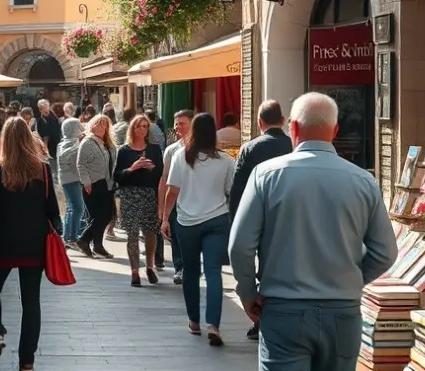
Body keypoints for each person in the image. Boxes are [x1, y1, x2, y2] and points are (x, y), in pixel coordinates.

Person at [229, 93, 397, 371]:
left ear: (292, 127)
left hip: (284, 309)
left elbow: (240, 245)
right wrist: (350, 280)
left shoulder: (265, 175)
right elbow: (385, 252)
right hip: (342, 311)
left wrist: (247, 292)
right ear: (335, 130)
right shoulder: (363, 181)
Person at [0, 117, 61, 370]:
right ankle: (27, 361)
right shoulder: (42, 169)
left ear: (4, 139)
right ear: (28, 138)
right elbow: (53, 210)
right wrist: (58, 237)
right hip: (34, 243)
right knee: (31, 301)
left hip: (2, 241)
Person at [162, 113, 235, 346]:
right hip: (217, 220)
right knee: (213, 272)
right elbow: (229, 191)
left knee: (191, 272)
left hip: (186, 222)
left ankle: (194, 321)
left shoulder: (181, 157)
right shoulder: (225, 160)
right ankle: (213, 324)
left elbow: (172, 191)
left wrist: (165, 219)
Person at [229, 99, 294, 341]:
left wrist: (235, 220)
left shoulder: (250, 148)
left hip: (259, 217)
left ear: (259, 123)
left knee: (263, 267)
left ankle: (261, 320)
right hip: (289, 217)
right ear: (283, 121)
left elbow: (237, 189)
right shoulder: (294, 145)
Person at [115, 114, 164, 287]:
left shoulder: (154, 149)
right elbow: (118, 177)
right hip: (129, 195)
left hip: (149, 194)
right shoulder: (124, 151)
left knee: (150, 232)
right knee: (132, 234)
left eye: (145, 126)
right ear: (132, 128)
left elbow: (161, 175)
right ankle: (134, 271)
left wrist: (152, 168)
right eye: (139, 126)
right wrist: (132, 168)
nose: (142, 129)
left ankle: (150, 266)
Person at [75, 114, 117, 259]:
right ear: (92, 125)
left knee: (106, 216)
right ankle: (84, 239)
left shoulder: (106, 143)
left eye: (104, 125)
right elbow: (80, 164)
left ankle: (97, 245)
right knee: (101, 216)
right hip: (93, 183)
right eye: (98, 124)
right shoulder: (88, 142)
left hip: (107, 183)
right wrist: (86, 182)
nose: (101, 127)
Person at [159, 110, 194, 284]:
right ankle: (179, 267)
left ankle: (192, 266)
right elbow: (164, 179)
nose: (177, 127)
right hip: (176, 200)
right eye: (176, 123)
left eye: (182, 123)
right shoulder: (171, 150)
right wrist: (162, 209)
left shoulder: (204, 149)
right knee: (177, 236)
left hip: (196, 200)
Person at [56, 116, 86, 246]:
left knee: (71, 207)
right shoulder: (71, 144)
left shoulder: (64, 143)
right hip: (72, 179)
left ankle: (67, 236)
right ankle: (73, 237)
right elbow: (75, 163)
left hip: (67, 179)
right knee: (78, 208)